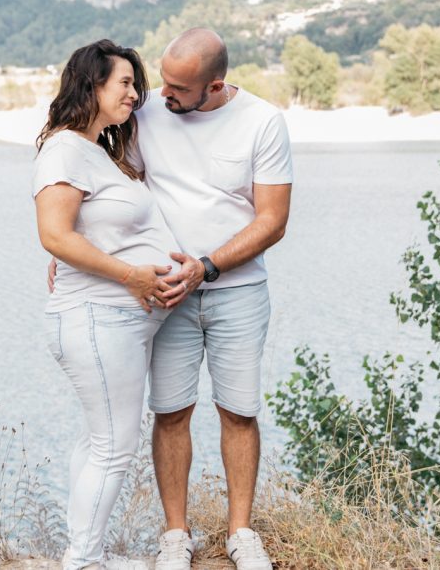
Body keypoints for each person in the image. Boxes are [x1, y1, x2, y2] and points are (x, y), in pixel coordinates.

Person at [51, 28, 293, 569]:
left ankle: (241, 533)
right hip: (163, 296)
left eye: (179, 88)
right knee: (170, 411)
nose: (161, 95)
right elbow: (115, 182)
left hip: (237, 291)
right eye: (159, 81)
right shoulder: (151, 111)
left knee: (239, 411)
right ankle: (175, 536)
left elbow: (273, 219)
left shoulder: (262, 121)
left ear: (216, 86)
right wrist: (70, 240)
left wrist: (205, 267)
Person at [33, 39, 180, 570]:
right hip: (99, 317)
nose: (135, 93)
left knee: (98, 441)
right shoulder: (65, 148)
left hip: (113, 319)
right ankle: (84, 561)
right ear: (90, 84)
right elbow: (54, 234)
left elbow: (82, 233)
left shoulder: (98, 151)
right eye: (124, 82)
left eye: (137, 84)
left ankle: (84, 553)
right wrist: (131, 275)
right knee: (115, 448)